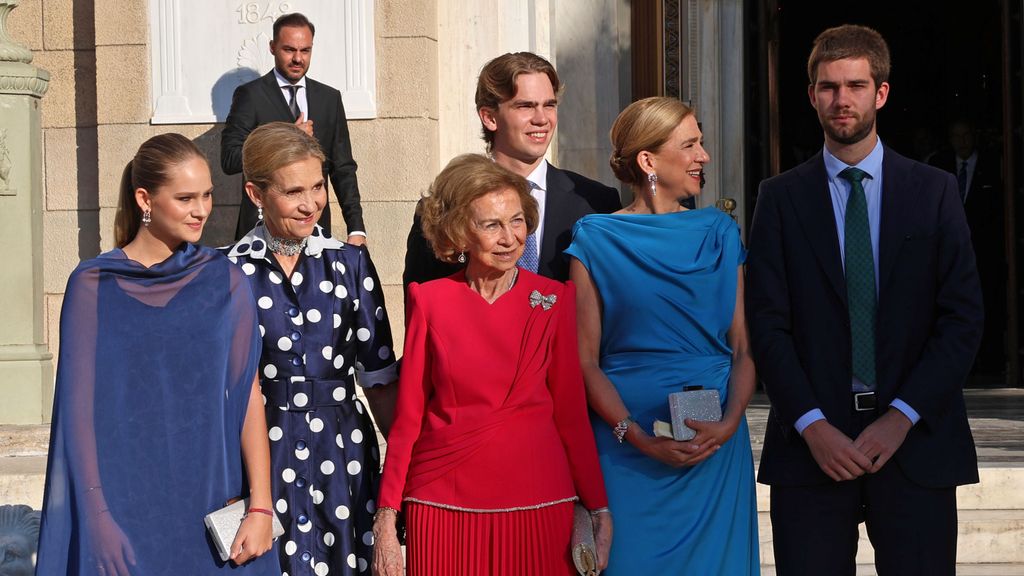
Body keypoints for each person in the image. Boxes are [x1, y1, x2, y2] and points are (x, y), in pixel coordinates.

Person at [746, 25, 983, 575]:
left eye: (855, 85)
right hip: (812, 452)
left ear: (881, 93)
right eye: (828, 87)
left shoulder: (934, 192)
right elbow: (767, 322)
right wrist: (811, 424)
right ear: (811, 95)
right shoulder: (779, 199)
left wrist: (900, 417)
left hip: (916, 444)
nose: (841, 99)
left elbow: (963, 318)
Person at [36, 134, 278, 575]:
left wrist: (261, 507)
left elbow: (247, 398)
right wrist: (97, 519)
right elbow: (78, 413)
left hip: (209, 503)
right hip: (120, 510)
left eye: (206, 195)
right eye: (185, 198)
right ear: (145, 198)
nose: (201, 209)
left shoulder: (226, 282)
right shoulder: (92, 286)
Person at [373, 154, 610, 576]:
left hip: (540, 502)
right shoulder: (429, 300)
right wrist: (387, 516)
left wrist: (597, 508)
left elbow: (572, 416)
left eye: (517, 221)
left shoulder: (554, 300)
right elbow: (408, 419)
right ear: (460, 233)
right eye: (492, 225)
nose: (510, 238)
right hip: (442, 504)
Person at [565, 97, 758, 574]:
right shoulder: (594, 238)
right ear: (648, 161)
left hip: (713, 448)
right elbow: (583, 360)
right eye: (690, 144)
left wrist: (732, 421)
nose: (703, 157)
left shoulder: (719, 231)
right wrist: (636, 437)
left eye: (702, 143)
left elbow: (743, 348)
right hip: (627, 450)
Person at [223, 122, 397, 576]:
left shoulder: (351, 263)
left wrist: (401, 486)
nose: (311, 203)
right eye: (293, 191)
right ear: (255, 194)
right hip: (259, 458)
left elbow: (379, 380)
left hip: (345, 457)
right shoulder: (226, 272)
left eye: (318, 186)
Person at [402, 52, 620, 289]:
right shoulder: (445, 204)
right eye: (525, 106)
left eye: (549, 105)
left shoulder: (597, 203)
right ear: (489, 117)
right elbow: (422, 305)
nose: (542, 119)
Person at [221, 12, 366, 244]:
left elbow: (343, 168)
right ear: (272, 47)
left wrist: (356, 228)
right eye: (289, 50)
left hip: (315, 231)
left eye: (305, 50)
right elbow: (228, 160)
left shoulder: (329, 98)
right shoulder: (250, 96)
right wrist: (287, 137)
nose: (298, 58)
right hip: (262, 232)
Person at [929, 119, 1005, 376]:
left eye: (966, 135)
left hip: (986, 252)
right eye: (956, 135)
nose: (962, 141)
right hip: (947, 253)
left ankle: (991, 364)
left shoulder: (995, 164)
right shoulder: (939, 165)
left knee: (987, 306)